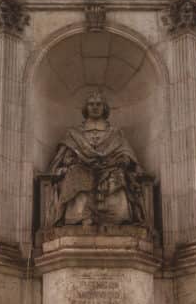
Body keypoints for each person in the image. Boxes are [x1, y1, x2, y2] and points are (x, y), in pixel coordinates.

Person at [47, 90, 144, 226]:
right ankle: (79, 217)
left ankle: (117, 218)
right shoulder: (74, 133)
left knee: (118, 177)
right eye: (91, 104)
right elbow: (64, 158)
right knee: (75, 174)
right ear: (86, 108)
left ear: (104, 108)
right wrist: (71, 160)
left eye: (99, 104)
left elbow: (127, 155)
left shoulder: (116, 133)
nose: (95, 107)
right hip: (81, 169)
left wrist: (123, 160)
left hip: (111, 168)